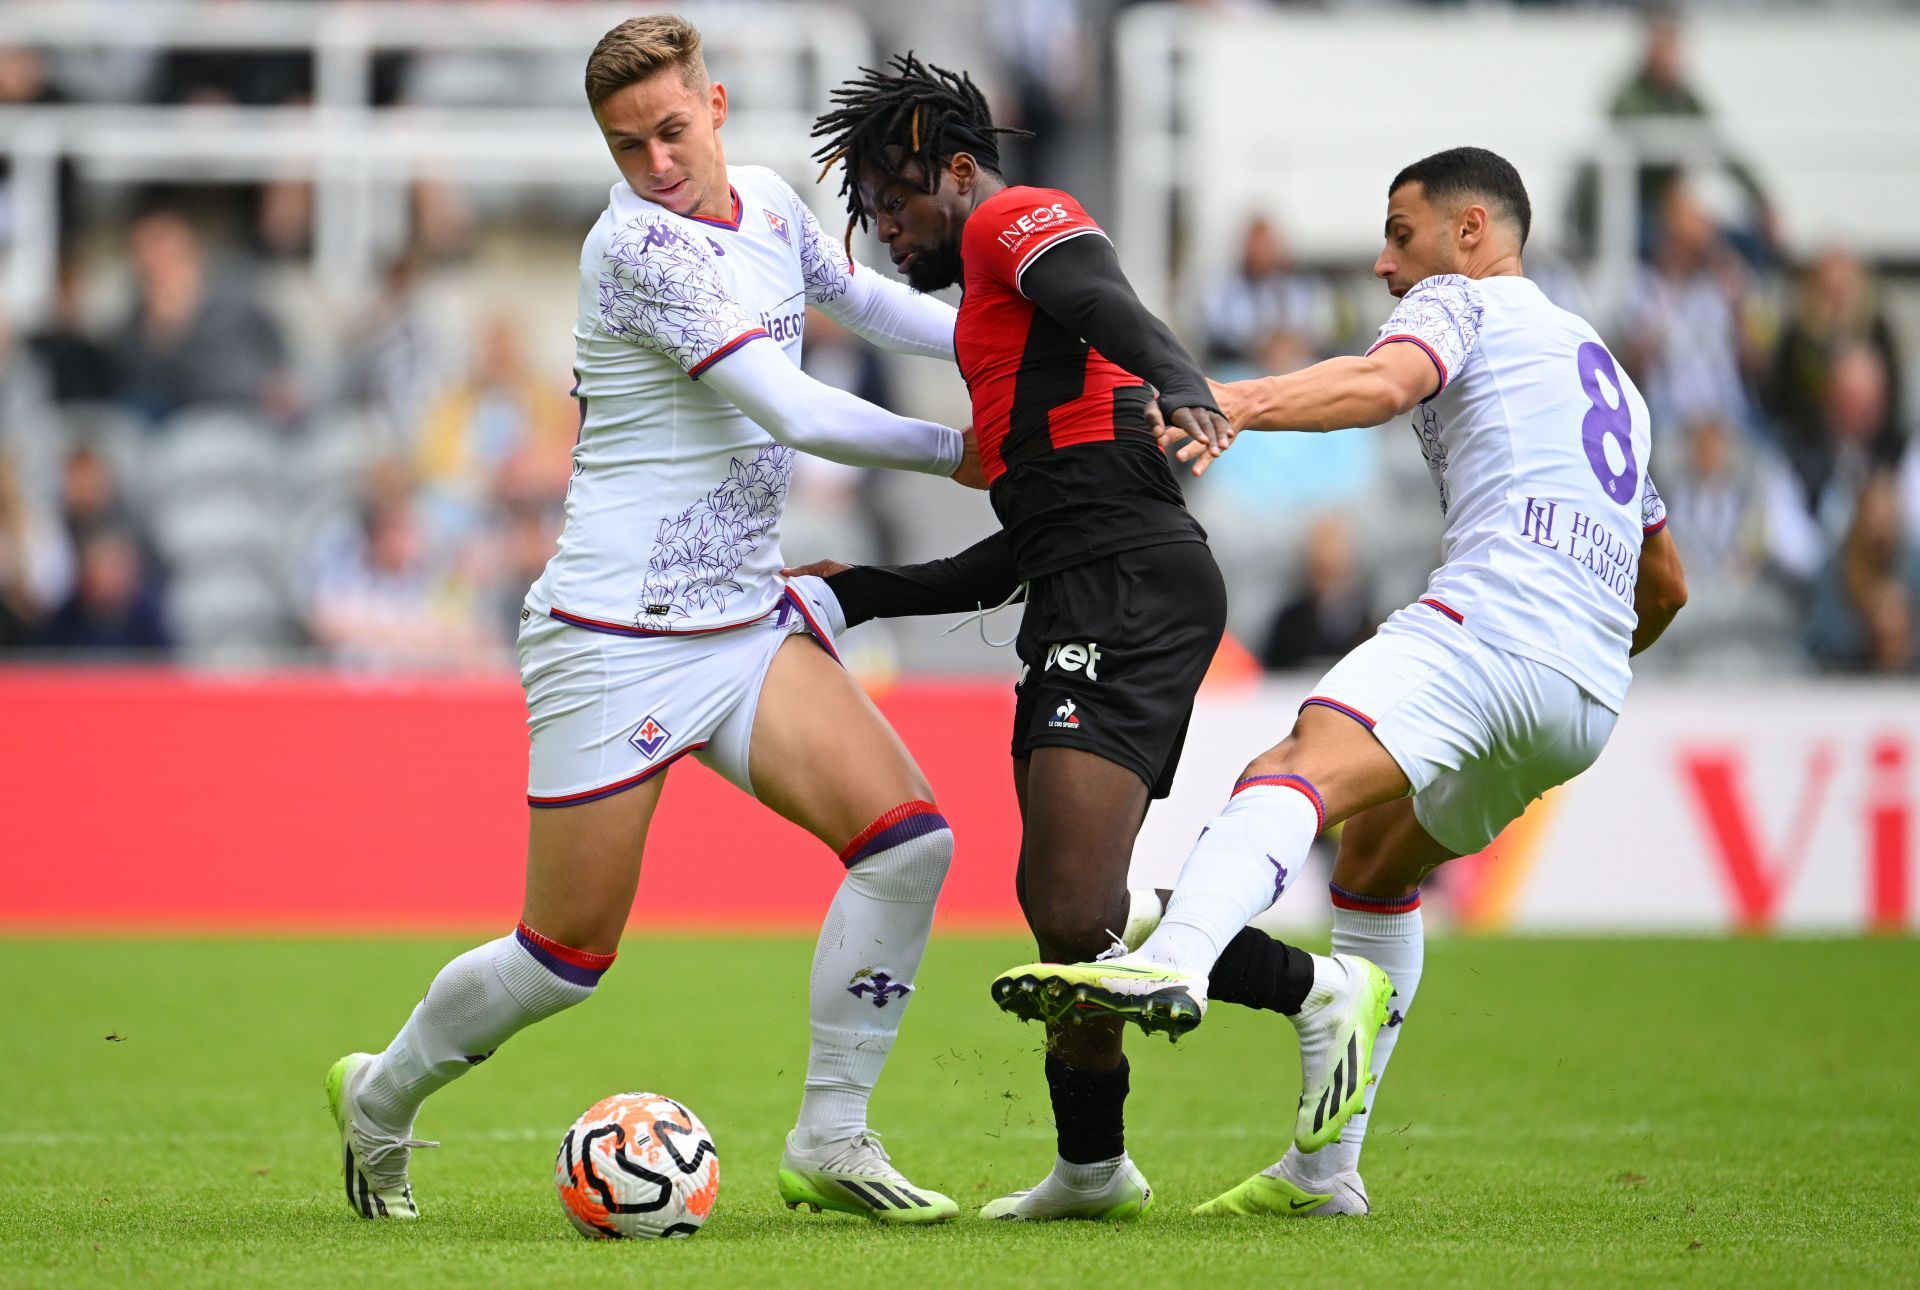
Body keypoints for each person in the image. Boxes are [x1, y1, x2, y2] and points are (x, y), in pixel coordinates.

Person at [325, 16, 984, 1225]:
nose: (658, 164)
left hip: (741, 626)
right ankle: (380, 1097)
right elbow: (797, 411)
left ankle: (833, 1138)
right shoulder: (636, 251)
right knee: (562, 959)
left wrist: (1036, 338)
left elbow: (880, 310)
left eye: (673, 132)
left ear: (718, 107)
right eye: (629, 147)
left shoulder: (777, 207)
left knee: (911, 845)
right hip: (613, 642)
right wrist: (965, 450)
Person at [1013, 147, 1690, 1218]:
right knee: (1374, 864)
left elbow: (1383, 382)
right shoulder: (1602, 368)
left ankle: (1176, 962)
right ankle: (1326, 1175)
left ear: (1472, 233)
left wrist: (1233, 397)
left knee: (1290, 768)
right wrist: (1583, 661)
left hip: (1496, 624)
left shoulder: (1466, 305)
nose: (1384, 264)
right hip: (1585, 697)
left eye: (1401, 234)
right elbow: (1667, 584)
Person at [806, 54, 1377, 1221]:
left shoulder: (1014, 221)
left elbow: (1105, 291)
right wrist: (863, 591)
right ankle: (1091, 1170)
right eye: (867, 210)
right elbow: (1025, 539)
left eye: (893, 198)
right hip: (1080, 585)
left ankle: (1321, 992)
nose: (883, 226)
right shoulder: (989, 331)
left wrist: (1182, 380)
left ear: (959, 171)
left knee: (1070, 912)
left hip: (1134, 585)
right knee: (1068, 911)